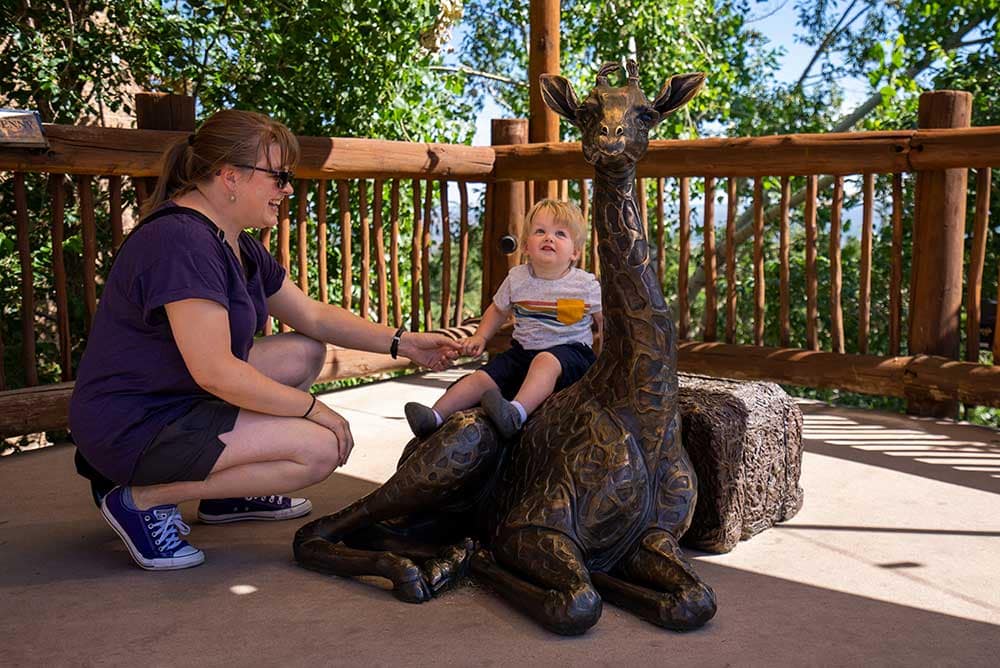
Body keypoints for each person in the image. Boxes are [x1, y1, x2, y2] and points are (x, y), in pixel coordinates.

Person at [68, 110, 460, 571]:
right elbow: (216, 371)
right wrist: (316, 409)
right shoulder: (181, 242)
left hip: (175, 397)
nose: (287, 189)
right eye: (278, 176)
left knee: (303, 351)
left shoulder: (234, 240)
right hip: (134, 423)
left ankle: (226, 497)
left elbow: (312, 315)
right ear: (229, 176)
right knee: (320, 448)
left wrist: (404, 342)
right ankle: (140, 499)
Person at [404, 199, 602, 440]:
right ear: (526, 246)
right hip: (523, 353)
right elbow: (498, 310)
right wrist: (481, 336)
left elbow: (604, 321)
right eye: (540, 231)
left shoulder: (585, 285)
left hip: (571, 356)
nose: (548, 238)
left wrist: (609, 357)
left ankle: (515, 414)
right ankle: (434, 416)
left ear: (575, 252)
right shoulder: (517, 278)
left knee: (546, 361)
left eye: (560, 234)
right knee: (481, 378)